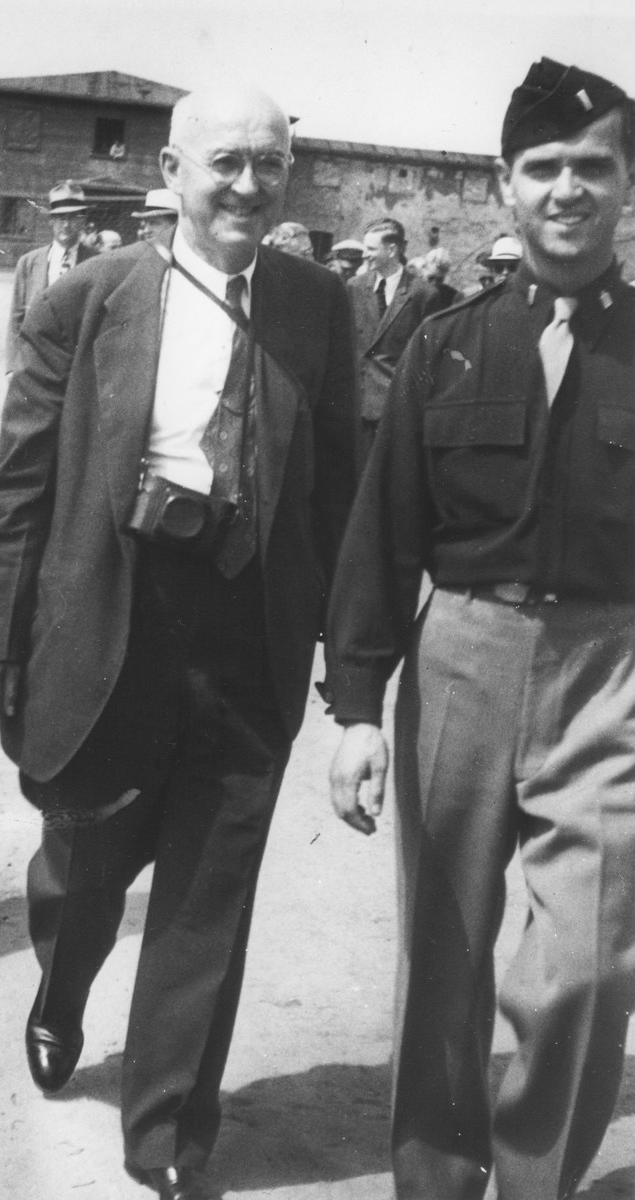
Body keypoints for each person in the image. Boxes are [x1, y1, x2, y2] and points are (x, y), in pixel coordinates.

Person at [0, 84, 355, 1200]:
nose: (246, 185)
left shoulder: (318, 305)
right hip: (115, 613)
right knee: (87, 861)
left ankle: (171, 1135)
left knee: (209, 890)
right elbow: (20, 480)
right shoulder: (88, 299)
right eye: (224, 161)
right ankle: (62, 986)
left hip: (250, 631)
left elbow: (336, 487)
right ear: (171, 173)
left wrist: (346, 652)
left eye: (269, 165)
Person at [325, 57, 635, 1200]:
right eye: (542, 167)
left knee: (588, 969)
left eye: (592, 167)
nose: (568, 188)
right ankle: (437, 1181)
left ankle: (535, 1177)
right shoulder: (442, 346)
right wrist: (355, 710)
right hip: (458, 658)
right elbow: (380, 538)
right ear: (504, 187)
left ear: (627, 186)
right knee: (441, 960)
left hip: (613, 675)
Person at [347, 216, 441, 475]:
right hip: (356, 402)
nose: (364, 255)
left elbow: (430, 356)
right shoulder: (355, 287)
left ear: (392, 250)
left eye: (371, 249)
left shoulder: (423, 294)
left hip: (395, 407)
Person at [4, 180, 97, 372]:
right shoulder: (28, 263)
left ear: (83, 221)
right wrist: (13, 366)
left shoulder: (98, 261)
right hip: (37, 361)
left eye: (73, 217)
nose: (66, 224)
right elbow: (16, 318)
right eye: (60, 218)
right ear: (51, 221)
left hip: (78, 366)